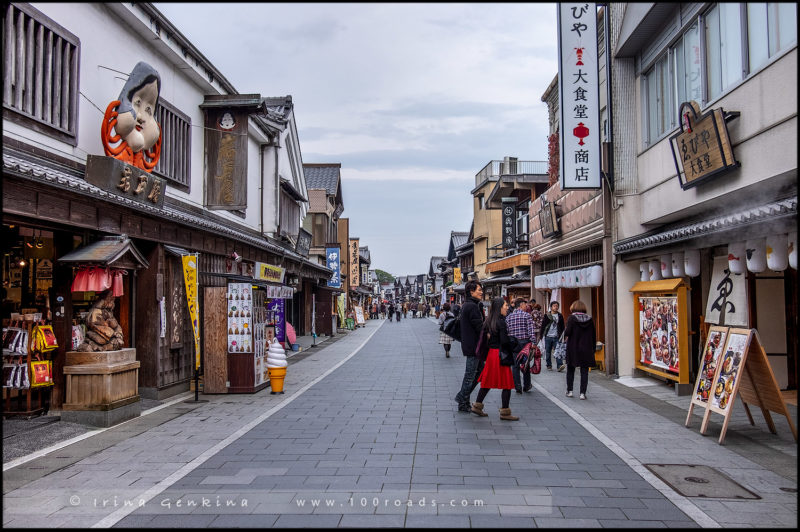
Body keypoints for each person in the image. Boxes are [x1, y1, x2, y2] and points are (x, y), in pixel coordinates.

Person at [471, 297, 519, 420]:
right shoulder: (501, 322)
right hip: (500, 354)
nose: (507, 308)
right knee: (507, 384)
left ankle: (477, 405)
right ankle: (505, 413)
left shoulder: (488, 321)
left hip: (491, 354)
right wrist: (514, 344)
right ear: (500, 308)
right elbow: (504, 341)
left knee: (487, 382)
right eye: (506, 306)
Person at [454, 280, 484, 412]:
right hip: (473, 347)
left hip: (471, 345)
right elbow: (479, 327)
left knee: (479, 372)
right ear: (471, 292)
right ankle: (462, 399)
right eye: (479, 290)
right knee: (470, 375)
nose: (481, 292)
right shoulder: (472, 306)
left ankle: (463, 398)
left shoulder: (469, 305)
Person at [563, 300, 597, 400]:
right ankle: (582, 393)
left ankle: (570, 391)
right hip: (586, 348)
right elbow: (593, 335)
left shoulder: (571, 318)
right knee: (584, 371)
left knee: (570, 370)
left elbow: (568, 332)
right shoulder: (589, 319)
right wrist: (593, 348)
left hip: (573, 347)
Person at [506, 297, 535, 393]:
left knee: (515, 365)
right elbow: (531, 331)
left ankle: (517, 386)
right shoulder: (527, 316)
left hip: (513, 343)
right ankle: (526, 385)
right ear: (521, 305)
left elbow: (507, 331)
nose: (526, 306)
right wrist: (533, 342)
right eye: (525, 304)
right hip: (524, 343)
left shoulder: (509, 317)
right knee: (525, 364)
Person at [540, 301, 565, 371]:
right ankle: (549, 365)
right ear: (551, 307)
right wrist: (541, 336)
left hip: (557, 336)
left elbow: (562, 326)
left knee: (558, 351)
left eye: (557, 306)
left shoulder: (560, 315)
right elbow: (543, 326)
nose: (556, 307)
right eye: (554, 306)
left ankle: (559, 365)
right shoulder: (547, 315)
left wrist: (563, 335)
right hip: (548, 336)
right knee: (548, 351)